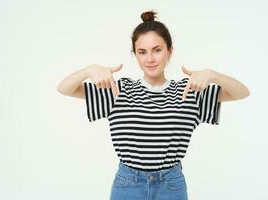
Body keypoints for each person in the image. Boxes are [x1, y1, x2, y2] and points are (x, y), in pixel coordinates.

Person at [57, 9, 250, 200]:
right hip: (128, 185)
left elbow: (242, 93)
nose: (150, 59)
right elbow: (65, 88)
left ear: (169, 51)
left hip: (171, 186)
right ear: (135, 55)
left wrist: (213, 74)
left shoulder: (189, 91)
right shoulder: (119, 90)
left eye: (157, 50)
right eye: (142, 52)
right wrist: (88, 70)